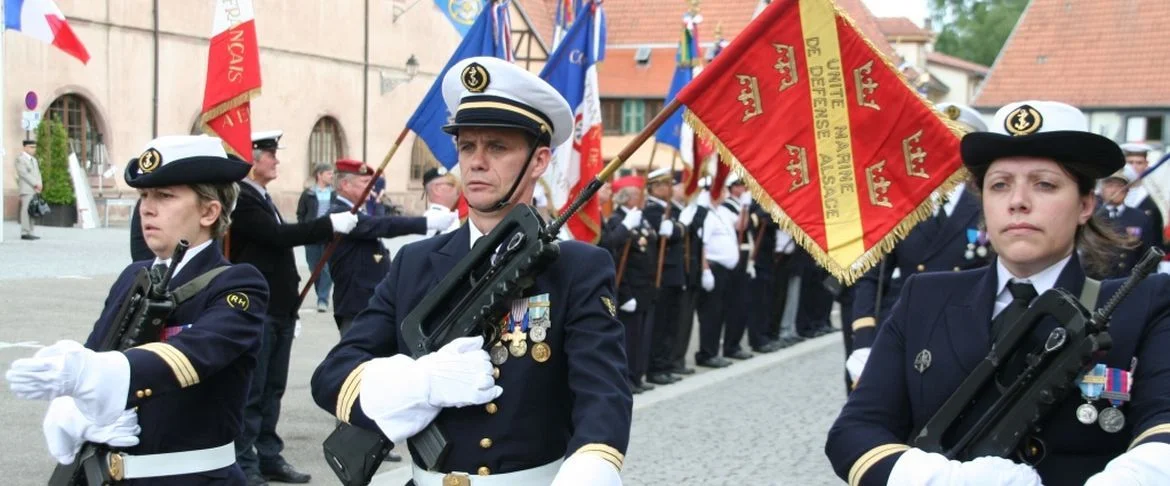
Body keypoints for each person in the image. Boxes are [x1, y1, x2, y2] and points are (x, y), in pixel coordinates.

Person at [310, 56, 632, 485]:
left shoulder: (577, 268)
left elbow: (603, 395)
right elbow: (333, 375)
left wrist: (589, 470)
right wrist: (420, 383)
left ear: (538, 162)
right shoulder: (415, 263)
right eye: (467, 146)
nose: (476, 162)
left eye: (497, 147)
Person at [826, 100, 1170, 486]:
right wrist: (943, 481)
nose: (1017, 201)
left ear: (1085, 204)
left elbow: (1164, 423)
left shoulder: (1143, 304)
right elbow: (855, 432)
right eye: (999, 184)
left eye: (1045, 184)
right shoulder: (924, 298)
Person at [6, 135, 270, 484]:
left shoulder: (238, 284)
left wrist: (101, 376)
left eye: (165, 196)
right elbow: (97, 350)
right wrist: (77, 403)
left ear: (209, 211)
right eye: (144, 196)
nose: (146, 208)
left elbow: (197, 352)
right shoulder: (135, 275)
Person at [229, 130, 359, 486]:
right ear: (251, 158)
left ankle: (268, 454)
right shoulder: (241, 198)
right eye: (269, 154)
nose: (276, 160)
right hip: (259, 309)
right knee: (254, 392)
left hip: (279, 309)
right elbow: (275, 237)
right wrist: (326, 225)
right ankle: (244, 461)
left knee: (272, 388)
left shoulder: (261, 196)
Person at [845, 103, 993, 391]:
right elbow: (871, 277)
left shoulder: (987, 203)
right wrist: (863, 341)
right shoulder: (900, 201)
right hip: (903, 324)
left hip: (965, 330)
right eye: (938, 142)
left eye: (956, 145)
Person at [327, 158, 450, 336]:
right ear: (345, 184)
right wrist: (426, 223)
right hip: (356, 305)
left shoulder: (355, 211)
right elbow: (381, 225)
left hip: (368, 301)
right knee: (355, 358)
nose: (372, 188)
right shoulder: (340, 213)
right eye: (365, 182)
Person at [602, 174, 661, 393]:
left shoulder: (640, 218)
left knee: (642, 337)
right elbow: (618, 261)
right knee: (630, 338)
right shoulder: (618, 221)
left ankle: (638, 375)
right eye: (638, 194)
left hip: (645, 288)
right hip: (630, 289)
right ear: (627, 198)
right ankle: (626, 378)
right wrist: (624, 294)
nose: (643, 198)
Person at [1095, 166, 1157, 280]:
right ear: (1102, 189)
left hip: (1127, 282)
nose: (1115, 190)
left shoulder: (1140, 218)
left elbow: (1148, 255)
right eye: (1110, 185)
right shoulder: (1093, 216)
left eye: (1120, 186)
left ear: (1127, 190)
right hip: (1096, 280)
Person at [296, 162, 338, 313]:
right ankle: (320, 293)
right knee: (314, 267)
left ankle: (323, 299)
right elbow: (301, 213)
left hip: (329, 234)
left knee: (326, 268)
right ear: (319, 175)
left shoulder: (334, 193)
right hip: (312, 234)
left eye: (332, 173)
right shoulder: (308, 193)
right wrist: (304, 229)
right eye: (328, 173)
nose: (331, 176)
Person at [1120, 142, 1164, 247]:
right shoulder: (1112, 192)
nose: (1134, 167)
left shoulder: (1154, 194)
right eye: (1130, 163)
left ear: (1146, 165)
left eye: (1139, 163)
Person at [421, 166, 463, 236]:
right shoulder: (443, 219)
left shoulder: (428, 218)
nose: (458, 189)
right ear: (436, 189)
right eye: (452, 184)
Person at [16, 139, 43, 240]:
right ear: (25, 147)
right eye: (31, 147)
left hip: (35, 189)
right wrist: (35, 183)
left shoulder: (34, 160)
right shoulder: (20, 159)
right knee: (26, 210)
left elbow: (38, 173)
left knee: (32, 210)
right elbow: (23, 174)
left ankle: (30, 231)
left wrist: (40, 183)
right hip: (26, 188)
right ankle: (25, 231)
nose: (34, 149)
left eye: (35, 147)